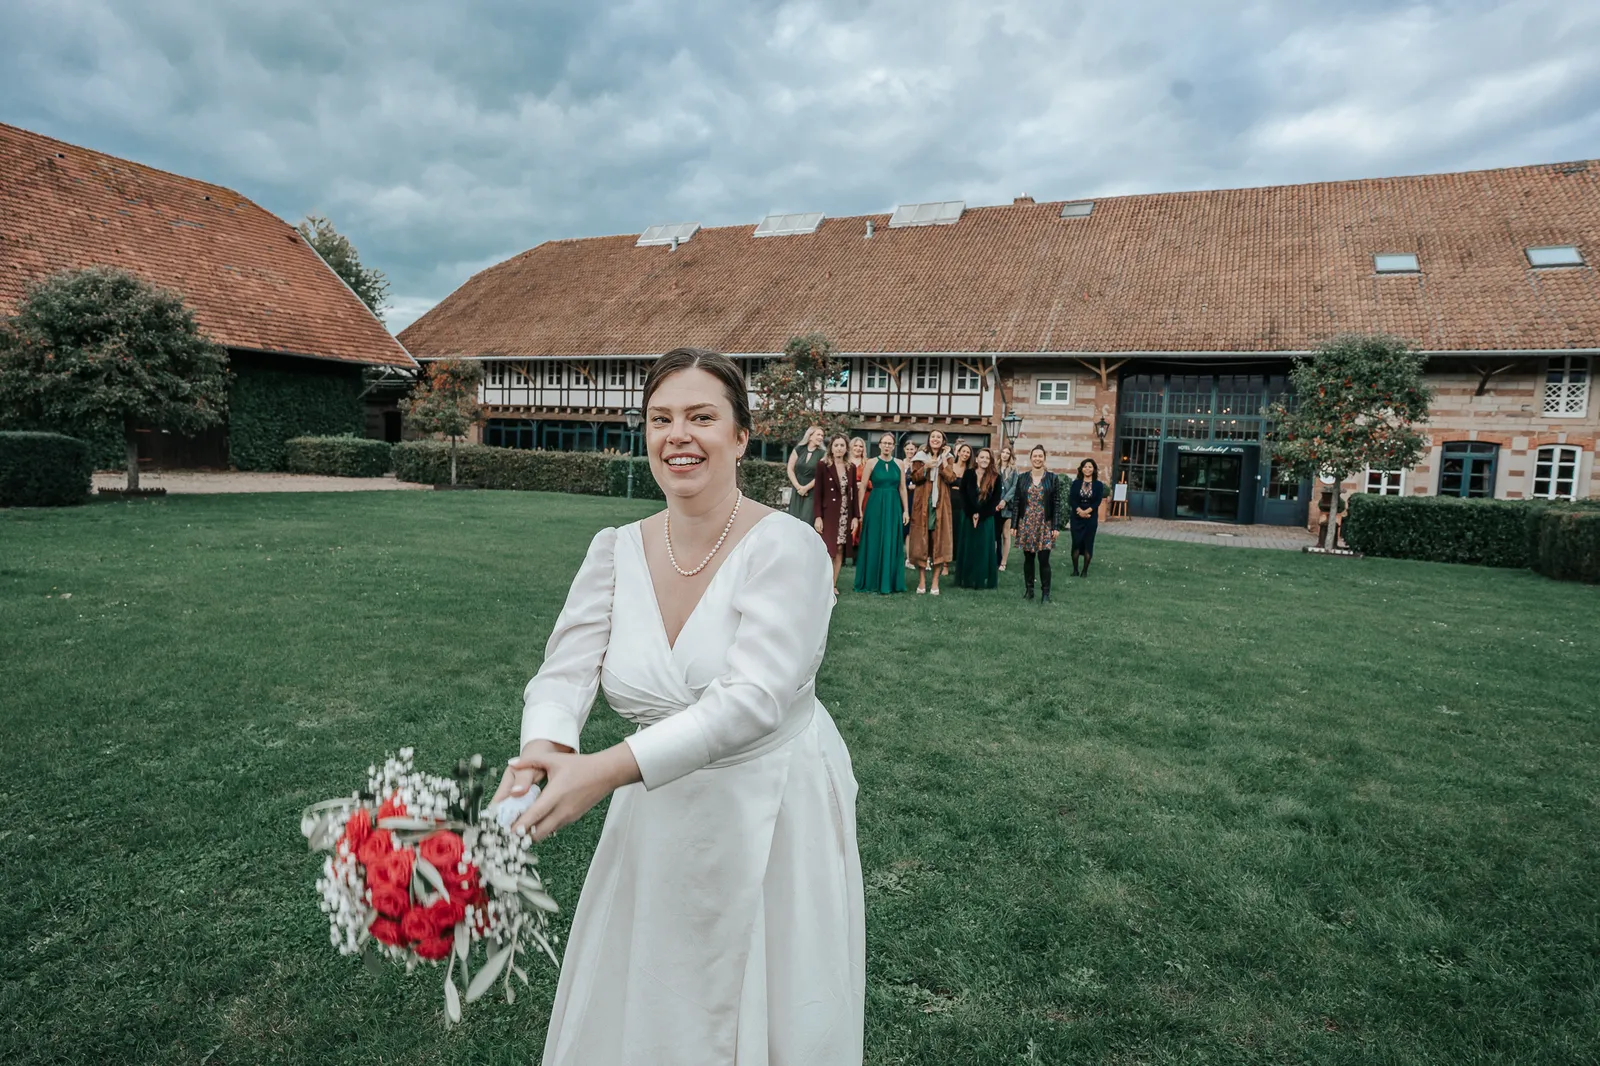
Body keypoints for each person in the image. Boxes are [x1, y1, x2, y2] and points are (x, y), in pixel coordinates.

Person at [494, 348, 864, 1065]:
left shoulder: (788, 548)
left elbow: (754, 699)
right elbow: (564, 671)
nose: (678, 436)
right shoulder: (614, 550)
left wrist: (604, 771)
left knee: (766, 997)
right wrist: (546, 748)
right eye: (660, 419)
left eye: (701, 417)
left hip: (773, 805)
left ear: (741, 437)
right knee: (657, 989)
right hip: (657, 803)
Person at [854, 431, 909, 594]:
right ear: (879, 445)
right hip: (875, 505)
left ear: (893, 446)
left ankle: (890, 581)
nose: (887, 446)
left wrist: (906, 510)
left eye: (890, 443)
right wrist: (859, 510)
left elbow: (903, 488)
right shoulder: (871, 463)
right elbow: (863, 487)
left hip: (893, 505)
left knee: (891, 539)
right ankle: (871, 580)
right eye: (884, 443)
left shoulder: (899, 463)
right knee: (874, 539)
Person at [1008, 443, 1060, 603]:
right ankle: (1029, 590)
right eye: (1035, 456)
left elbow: (1056, 503)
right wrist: (1014, 525)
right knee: (1028, 559)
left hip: (1045, 524)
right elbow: (1017, 502)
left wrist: (1056, 526)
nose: (1037, 459)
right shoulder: (1023, 478)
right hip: (1027, 523)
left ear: (1044, 459)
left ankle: (1046, 594)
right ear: (1031, 458)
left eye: (1040, 456)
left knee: (1044, 560)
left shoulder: (1052, 478)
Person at [813, 433, 860, 598]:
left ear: (846, 448)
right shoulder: (823, 465)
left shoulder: (851, 467)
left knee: (839, 548)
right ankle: (822, 583)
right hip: (828, 513)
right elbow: (817, 492)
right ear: (831, 448)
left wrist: (855, 517)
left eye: (842, 445)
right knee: (827, 549)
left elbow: (854, 493)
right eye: (836, 445)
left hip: (844, 512)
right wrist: (818, 516)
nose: (839, 448)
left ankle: (833, 584)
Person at [907, 430, 954, 595]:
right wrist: (926, 467)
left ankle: (935, 581)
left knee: (939, 542)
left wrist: (943, 461)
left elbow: (951, 478)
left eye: (939, 437)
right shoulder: (920, 457)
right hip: (922, 505)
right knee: (921, 543)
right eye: (933, 436)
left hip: (940, 505)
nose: (935, 439)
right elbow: (914, 478)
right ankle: (921, 581)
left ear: (943, 441)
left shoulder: (948, 458)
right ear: (929, 440)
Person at [957, 447, 1004, 589]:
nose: (984, 460)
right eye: (982, 457)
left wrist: (980, 515)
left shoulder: (996, 477)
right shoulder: (968, 474)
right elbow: (963, 494)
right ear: (976, 459)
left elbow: (995, 499)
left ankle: (981, 578)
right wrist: (972, 513)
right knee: (968, 547)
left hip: (986, 518)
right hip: (968, 516)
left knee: (983, 548)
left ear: (990, 461)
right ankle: (966, 579)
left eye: (987, 458)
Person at [1069, 457, 1107, 578]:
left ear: (1094, 469)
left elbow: (1097, 501)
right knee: (1076, 543)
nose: (1087, 469)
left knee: (1088, 543)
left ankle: (1084, 571)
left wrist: (1087, 512)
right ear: (1081, 469)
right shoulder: (1076, 483)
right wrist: (1080, 511)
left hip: (1091, 517)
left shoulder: (1098, 485)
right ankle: (1075, 570)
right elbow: (1072, 499)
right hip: (1076, 518)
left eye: (1090, 467)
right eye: (1085, 466)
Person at [785, 425, 825, 525]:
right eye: (818, 435)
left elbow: (821, 475)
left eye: (822, 435)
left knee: (806, 519)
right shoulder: (798, 449)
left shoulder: (823, 454)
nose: (821, 437)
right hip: (797, 488)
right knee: (793, 518)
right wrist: (798, 487)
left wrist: (806, 488)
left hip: (812, 490)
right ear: (810, 436)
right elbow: (790, 469)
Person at [946, 442, 972, 577]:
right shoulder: (951, 466)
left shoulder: (970, 470)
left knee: (961, 534)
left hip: (963, 506)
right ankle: (945, 565)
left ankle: (959, 566)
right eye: (963, 451)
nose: (965, 454)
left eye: (968, 452)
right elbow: (946, 481)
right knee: (948, 533)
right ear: (958, 452)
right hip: (949, 503)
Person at [847, 436, 869, 565]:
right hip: (847, 496)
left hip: (863, 497)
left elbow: (873, 480)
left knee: (861, 524)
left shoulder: (867, 463)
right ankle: (843, 556)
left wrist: (864, 484)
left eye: (861, 446)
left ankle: (857, 557)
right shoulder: (845, 462)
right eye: (855, 445)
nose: (858, 448)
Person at [997, 446, 1019, 572]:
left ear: (1010, 455)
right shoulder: (995, 467)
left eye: (1007, 453)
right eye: (1003, 452)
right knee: (995, 535)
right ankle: (994, 559)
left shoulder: (1014, 470)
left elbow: (1015, 487)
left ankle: (1003, 562)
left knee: (1006, 535)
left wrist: (1005, 500)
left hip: (1008, 506)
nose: (1005, 455)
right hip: (995, 506)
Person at [901, 438, 920, 570]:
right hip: (901, 497)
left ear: (915, 450)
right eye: (907, 449)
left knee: (911, 530)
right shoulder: (900, 463)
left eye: (912, 449)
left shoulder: (918, 464)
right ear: (904, 450)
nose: (910, 451)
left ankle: (910, 558)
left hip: (914, 498)